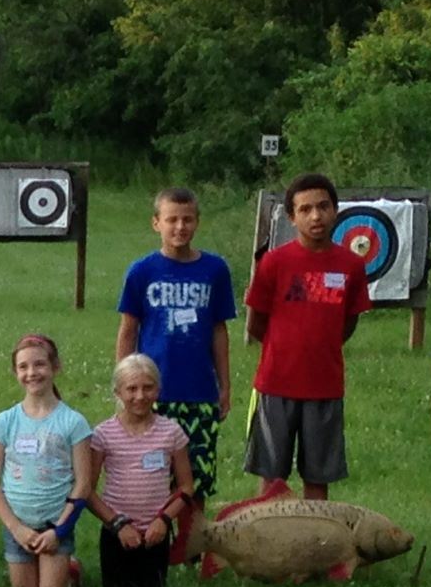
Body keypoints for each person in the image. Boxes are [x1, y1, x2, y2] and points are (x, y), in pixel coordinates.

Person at [113, 187, 235, 557]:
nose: (180, 227)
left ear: (197, 222)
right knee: (154, 475)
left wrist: (224, 386)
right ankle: (154, 544)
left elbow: (219, 331)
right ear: (157, 223)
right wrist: (123, 384)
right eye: (172, 219)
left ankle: (192, 546)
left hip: (198, 391)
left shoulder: (214, 269)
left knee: (195, 476)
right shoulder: (142, 271)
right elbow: (128, 329)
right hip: (153, 394)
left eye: (187, 219)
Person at [244, 173, 368, 502]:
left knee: (318, 476)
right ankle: (269, 542)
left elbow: (349, 321)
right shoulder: (274, 262)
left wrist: (321, 347)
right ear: (291, 217)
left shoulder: (351, 265)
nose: (316, 216)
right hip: (276, 383)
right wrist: (283, 348)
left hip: (324, 386)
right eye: (306, 209)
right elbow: (256, 321)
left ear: (336, 210)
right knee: (272, 477)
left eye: (323, 207)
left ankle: (316, 545)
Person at [0, 333, 95, 587]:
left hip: (55, 524)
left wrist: (60, 530)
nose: (32, 373)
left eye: (39, 365)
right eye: (23, 367)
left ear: (55, 367)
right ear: (15, 372)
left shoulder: (73, 423)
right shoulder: (5, 421)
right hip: (17, 524)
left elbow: (83, 483)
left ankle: (70, 570)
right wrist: (15, 528)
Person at [87, 353, 194, 587]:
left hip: (155, 532)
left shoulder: (171, 432)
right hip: (117, 532)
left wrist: (165, 520)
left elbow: (186, 486)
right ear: (118, 392)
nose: (140, 396)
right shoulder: (103, 435)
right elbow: (87, 491)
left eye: (148, 388)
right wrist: (117, 524)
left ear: (158, 389)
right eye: (131, 389)